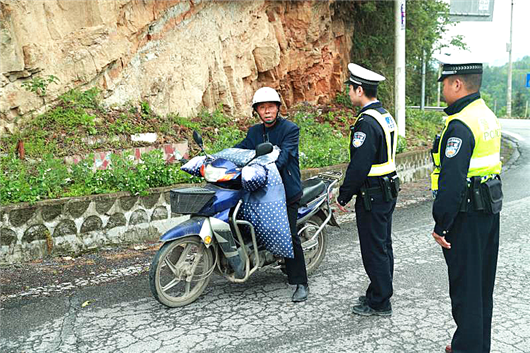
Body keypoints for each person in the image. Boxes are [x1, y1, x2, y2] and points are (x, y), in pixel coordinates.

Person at [431, 58, 503, 353]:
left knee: (465, 290)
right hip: (487, 212)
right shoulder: (486, 115)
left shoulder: (460, 125)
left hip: (466, 216)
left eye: (445, 84)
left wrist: (441, 224)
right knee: (482, 287)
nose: (443, 90)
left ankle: (466, 349)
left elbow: (452, 181)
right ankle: (474, 345)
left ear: (457, 84)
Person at [234, 86, 309, 302]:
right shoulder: (254, 132)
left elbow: (283, 157)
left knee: (290, 234)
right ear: (257, 111)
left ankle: (301, 283)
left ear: (278, 108)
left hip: (286, 191)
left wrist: (265, 162)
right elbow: (242, 149)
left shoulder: (290, 129)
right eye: (262, 108)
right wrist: (221, 158)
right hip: (261, 191)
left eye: (270, 107)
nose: (267, 111)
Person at [336, 63, 399, 317]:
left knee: (374, 248)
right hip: (386, 190)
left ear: (359, 89)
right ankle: (379, 291)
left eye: (351, 88)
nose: (349, 92)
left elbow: (359, 166)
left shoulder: (366, 123)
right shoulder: (384, 115)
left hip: (372, 193)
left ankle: (380, 302)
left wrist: (343, 195)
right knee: (383, 245)